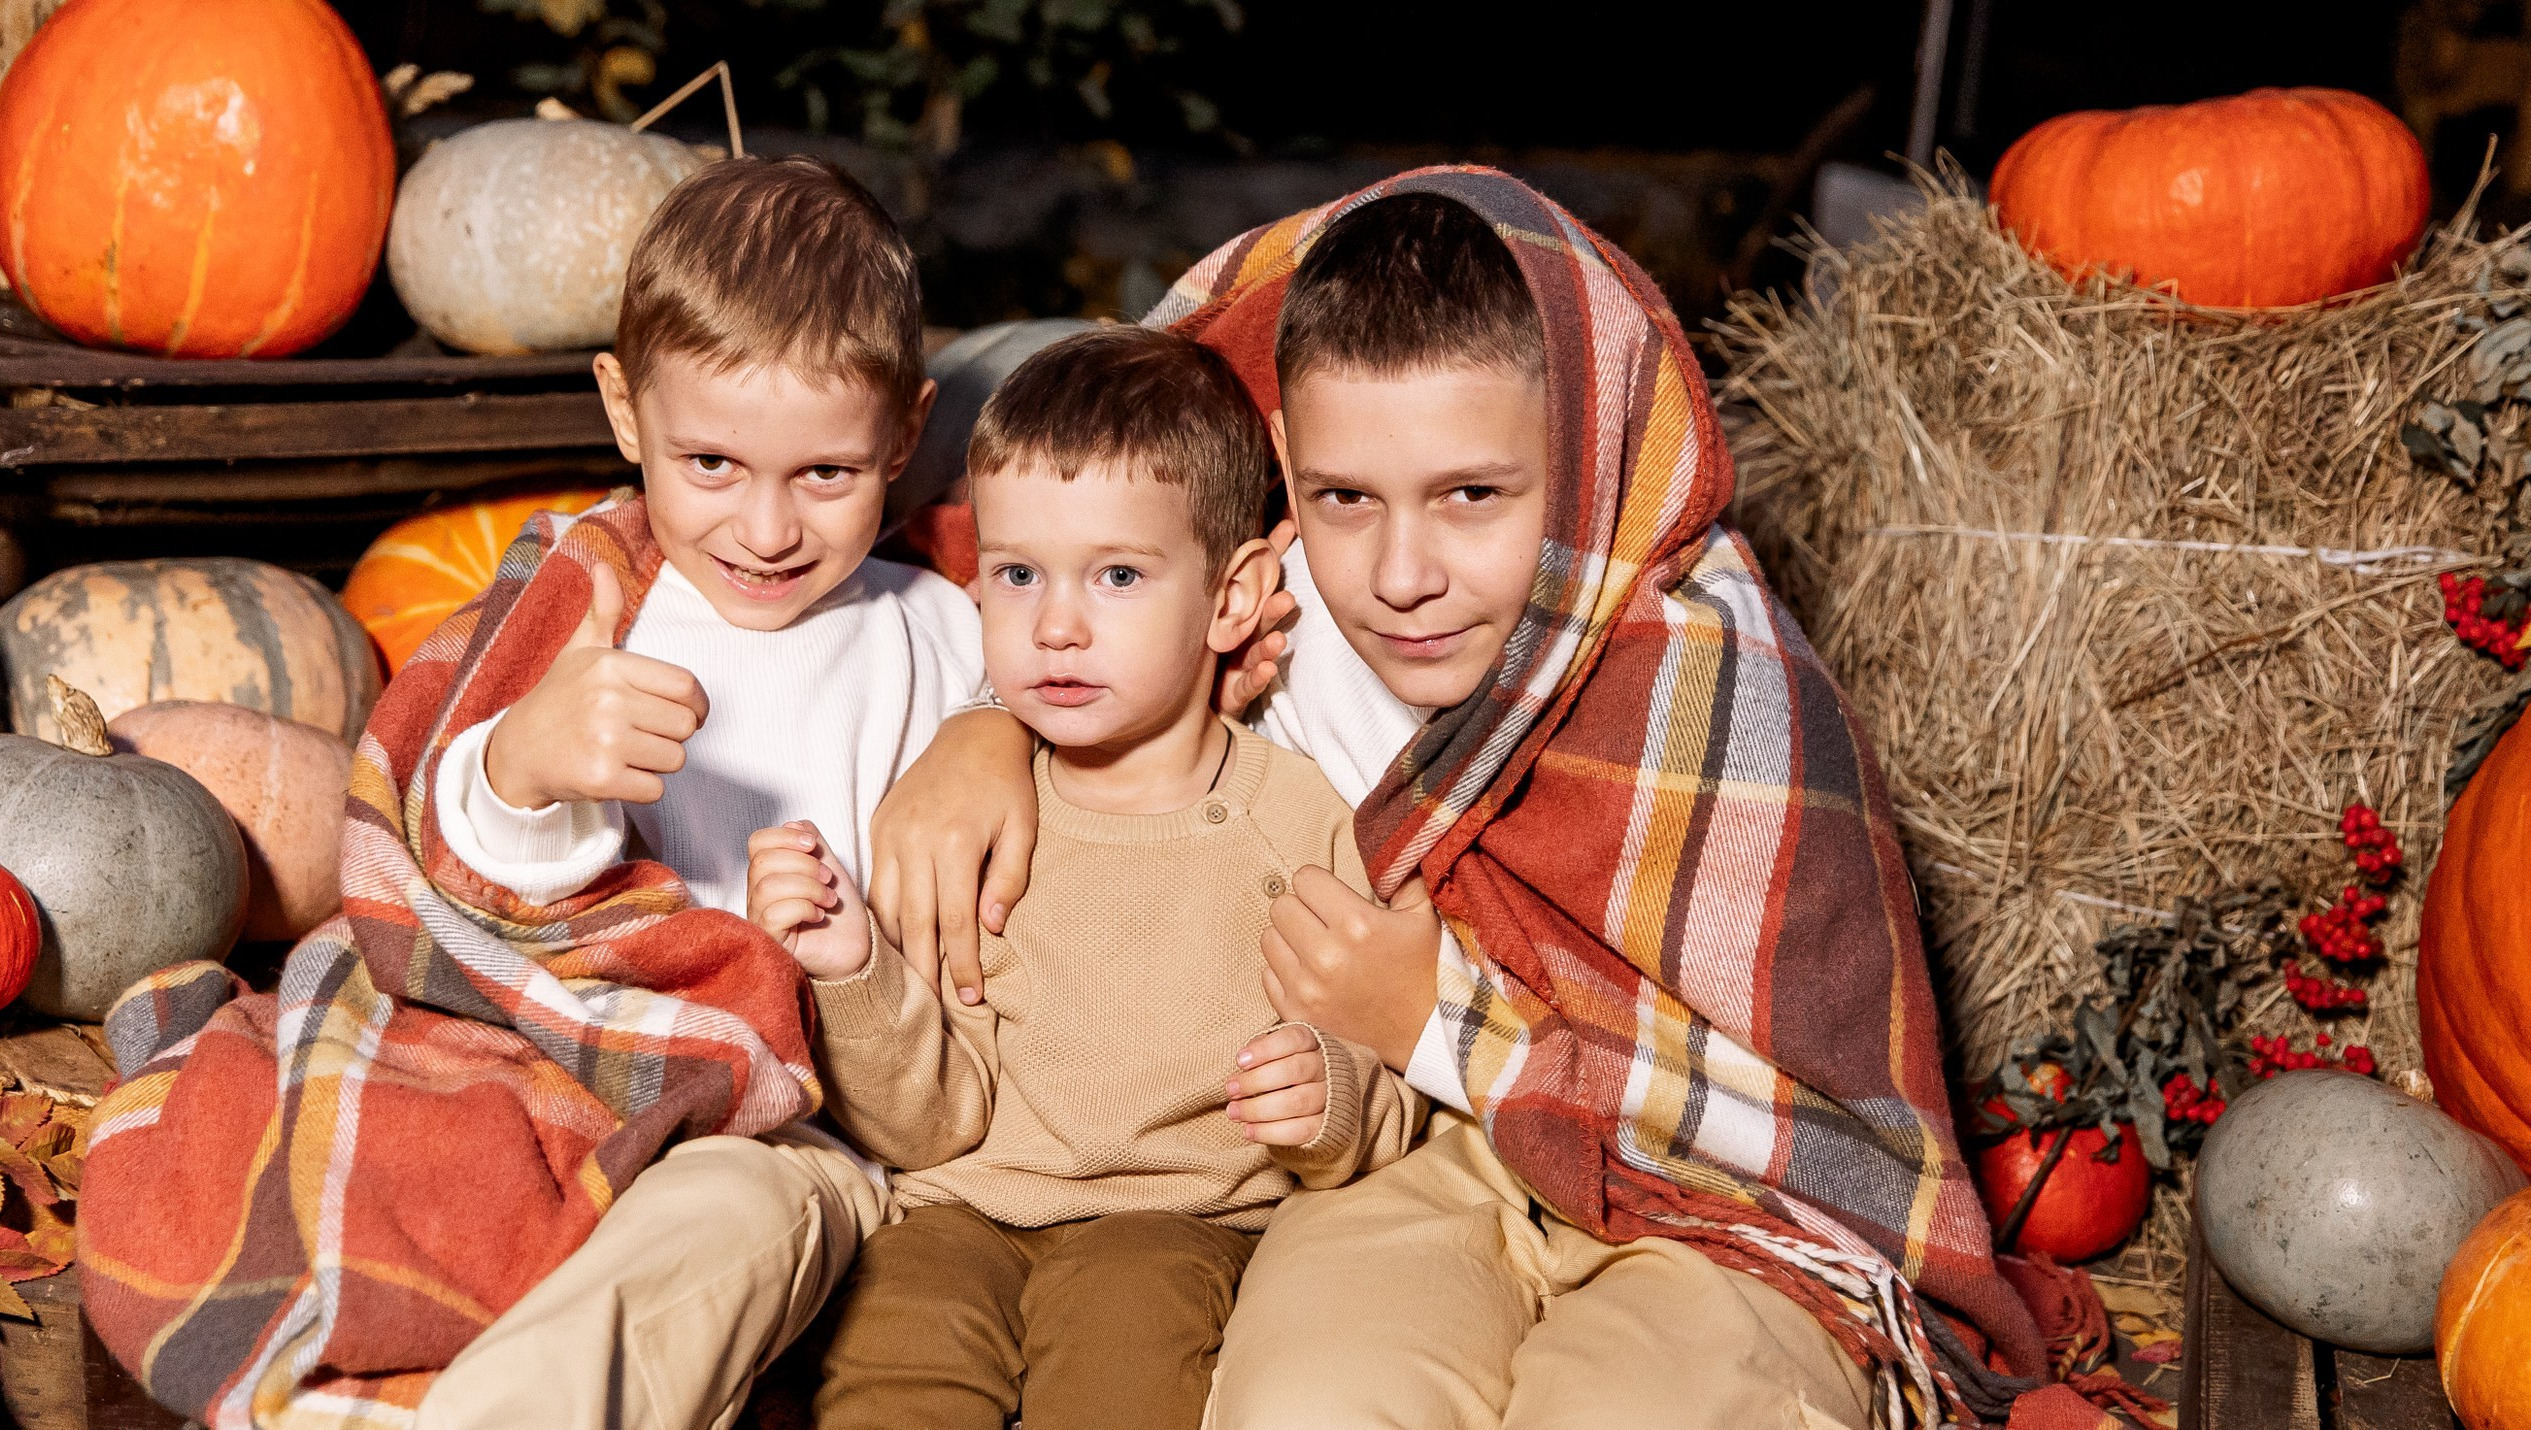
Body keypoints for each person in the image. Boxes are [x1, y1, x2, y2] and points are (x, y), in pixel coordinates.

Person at [864, 171, 2072, 1429]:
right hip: (1421, 1158)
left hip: (1716, 1208)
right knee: (1305, 1406)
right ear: (1285, 465)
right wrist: (982, 729)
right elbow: (1042, 586)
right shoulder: (1259, 616)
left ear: (1588, 459)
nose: (1399, 575)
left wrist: (1431, 1015)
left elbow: (1807, 1116)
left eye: (1472, 495)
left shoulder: (1712, 683)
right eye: (1344, 497)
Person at [753, 326, 1422, 1430]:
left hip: (1181, 1220)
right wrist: (851, 967)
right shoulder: (966, 822)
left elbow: (1389, 1068)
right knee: (888, 1370)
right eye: (1017, 574)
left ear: (1234, 593)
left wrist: (1330, 1095)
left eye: (1117, 574)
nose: (1056, 625)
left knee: (1121, 1364)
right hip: (958, 1207)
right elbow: (929, 1122)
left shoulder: (1304, 823)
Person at [414, 154, 986, 1430]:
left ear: (905, 430)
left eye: (828, 475)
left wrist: (988, 735)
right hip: (585, 1070)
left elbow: (1098, 695)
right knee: (437, 1173)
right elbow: (457, 849)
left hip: (797, 1132)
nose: (769, 529)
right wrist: (525, 764)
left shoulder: (938, 629)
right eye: (713, 464)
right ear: (626, 412)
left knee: (712, 1233)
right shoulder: (597, 609)